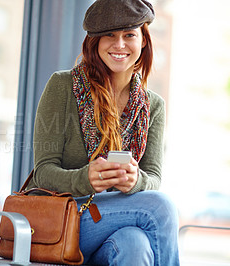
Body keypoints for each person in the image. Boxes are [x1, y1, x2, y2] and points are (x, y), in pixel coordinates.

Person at [27, 0, 180, 265]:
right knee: (160, 207)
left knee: (135, 244)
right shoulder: (62, 86)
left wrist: (135, 181)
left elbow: (153, 178)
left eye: (129, 35)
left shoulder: (153, 106)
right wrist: (84, 179)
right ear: (95, 41)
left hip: (116, 221)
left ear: (143, 40)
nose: (119, 45)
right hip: (67, 218)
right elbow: (43, 172)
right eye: (109, 35)